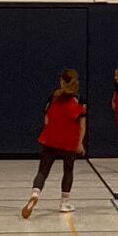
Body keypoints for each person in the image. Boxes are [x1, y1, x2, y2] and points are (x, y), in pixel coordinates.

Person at [22, 69, 86, 219]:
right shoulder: (79, 102)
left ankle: (35, 194)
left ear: (62, 82)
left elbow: (46, 119)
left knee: (42, 171)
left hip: (51, 138)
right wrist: (80, 143)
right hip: (69, 141)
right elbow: (82, 125)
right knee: (68, 170)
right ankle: (64, 203)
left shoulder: (54, 97)